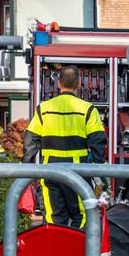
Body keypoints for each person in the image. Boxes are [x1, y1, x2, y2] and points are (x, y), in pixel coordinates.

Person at [23, 66, 106, 229]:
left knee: (54, 222)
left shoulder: (43, 109)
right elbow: (98, 144)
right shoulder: (88, 109)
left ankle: (57, 253)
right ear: (79, 84)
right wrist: (101, 176)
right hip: (78, 173)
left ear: (58, 83)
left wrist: (25, 168)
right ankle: (76, 253)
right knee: (82, 218)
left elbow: (30, 140)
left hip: (50, 172)